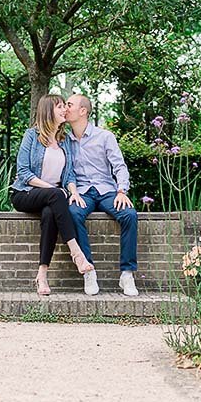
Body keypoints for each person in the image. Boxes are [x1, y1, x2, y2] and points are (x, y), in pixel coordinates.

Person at [10, 94, 95, 295]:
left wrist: (73, 192)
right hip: (26, 193)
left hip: (53, 198)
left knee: (50, 214)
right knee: (57, 195)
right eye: (60, 106)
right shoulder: (32, 135)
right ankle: (77, 253)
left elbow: (69, 175)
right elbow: (24, 173)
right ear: (48, 111)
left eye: (65, 106)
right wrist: (52, 189)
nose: (65, 109)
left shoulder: (64, 140)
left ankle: (42, 275)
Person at [64, 94, 138, 296]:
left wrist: (122, 190)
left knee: (129, 215)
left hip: (107, 191)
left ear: (83, 111)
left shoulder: (105, 137)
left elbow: (119, 166)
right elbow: (66, 171)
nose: (65, 108)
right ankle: (88, 271)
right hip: (82, 193)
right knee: (73, 213)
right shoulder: (64, 141)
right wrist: (72, 192)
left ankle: (127, 274)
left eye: (69, 105)